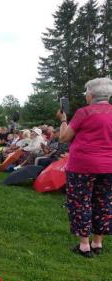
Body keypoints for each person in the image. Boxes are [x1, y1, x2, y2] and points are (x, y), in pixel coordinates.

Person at [57, 77, 112, 258]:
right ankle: (98, 243)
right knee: (104, 203)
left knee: (81, 202)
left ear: (91, 95)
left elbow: (64, 138)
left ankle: (84, 246)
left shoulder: (84, 112)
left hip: (82, 166)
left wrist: (63, 120)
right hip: (109, 167)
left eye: (86, 93)